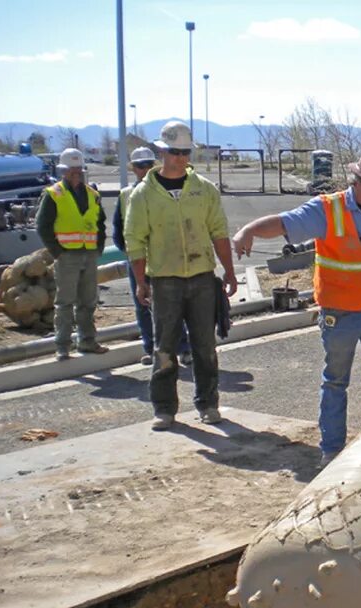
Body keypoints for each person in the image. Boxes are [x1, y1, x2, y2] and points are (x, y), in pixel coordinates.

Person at [232, 149, 361, 466]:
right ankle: (331, 453)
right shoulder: (329, 210)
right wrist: (249, 231)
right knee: (335, 383)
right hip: (340, 314)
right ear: (358, 180)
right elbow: (285, 223)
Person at [124, 120, 237, 431]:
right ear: (162, 151)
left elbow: (218, 232)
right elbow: (135, 239)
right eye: (174, 152)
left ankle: (208, 404)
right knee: (164, 347)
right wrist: (141, 281)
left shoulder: (204, 190)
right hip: (165, 281)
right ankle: (164, 408)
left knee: (204, 346)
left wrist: (228, 271)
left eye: (185, 152)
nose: (180, 158)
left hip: (202, 277)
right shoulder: (143, 195)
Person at [112, 146, 190, 366]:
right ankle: (152, 348)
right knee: (143, 304)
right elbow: (118, 230)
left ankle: (183, 347)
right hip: (138, 259)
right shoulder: (126, 195)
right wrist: (132, 253)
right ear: (134, 169)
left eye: (148, 164)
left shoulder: (164, 190)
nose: (145, 169)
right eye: (140, 166)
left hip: (164, 258)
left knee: (174, 303)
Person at [35, 147, 109, 360]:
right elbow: (43, 226)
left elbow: (100, 224)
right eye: (71, 169)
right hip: (67, 256)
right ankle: (63, 346)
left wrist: (99, 247)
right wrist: (57, 252)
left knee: (88, 301)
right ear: (63, 171)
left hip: (89, 254)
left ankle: (87, 341)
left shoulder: (92, 195)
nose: (76, 172)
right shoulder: (54, 194)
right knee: (65, 302)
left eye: (78, 168)